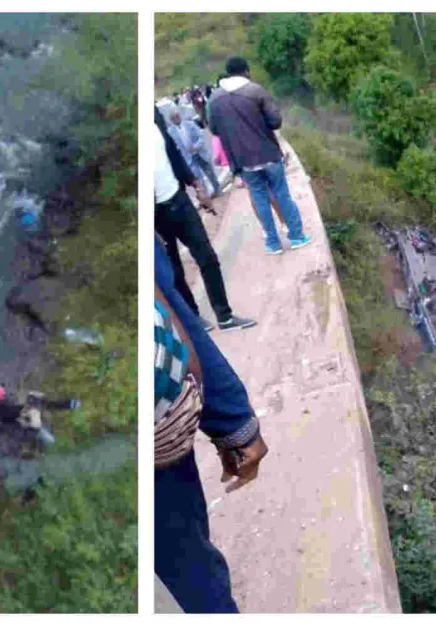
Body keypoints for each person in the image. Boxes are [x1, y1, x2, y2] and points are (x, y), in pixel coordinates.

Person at [154, 238, 268, 613]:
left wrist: (233, 421)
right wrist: (233, 421)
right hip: (160, 421)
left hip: (160, 420)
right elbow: (170, 311)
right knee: (186, 568)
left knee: (183, 572)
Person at [154, 107, 255, 332]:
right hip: (155, 216)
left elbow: (172, 153)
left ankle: (225, 316)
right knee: (175, 271)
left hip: (179, 200)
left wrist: (197, 186)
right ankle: (195, 320)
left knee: (207, 257)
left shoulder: (154, 116)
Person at [208, 56, 311, 255]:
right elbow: (275, 121)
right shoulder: (255, 91)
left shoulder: (214, 99)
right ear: (246, 71)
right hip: (267, 154)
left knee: (259, 199)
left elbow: (214, 129)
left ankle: (273, 244)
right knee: (282, 194)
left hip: (243, 161)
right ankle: (297, 236)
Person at [167, 104, 222, 198]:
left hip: (200, 153)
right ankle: (206, 196)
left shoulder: (190, 124)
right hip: (189, 158)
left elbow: (201, 136)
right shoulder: (170, 131)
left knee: (210, 173)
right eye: (174, 118)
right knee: (198, 177)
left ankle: (218, 190)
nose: (177, 118)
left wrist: (196, 146)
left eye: (177, 116)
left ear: (179, 115)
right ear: (171, 120)